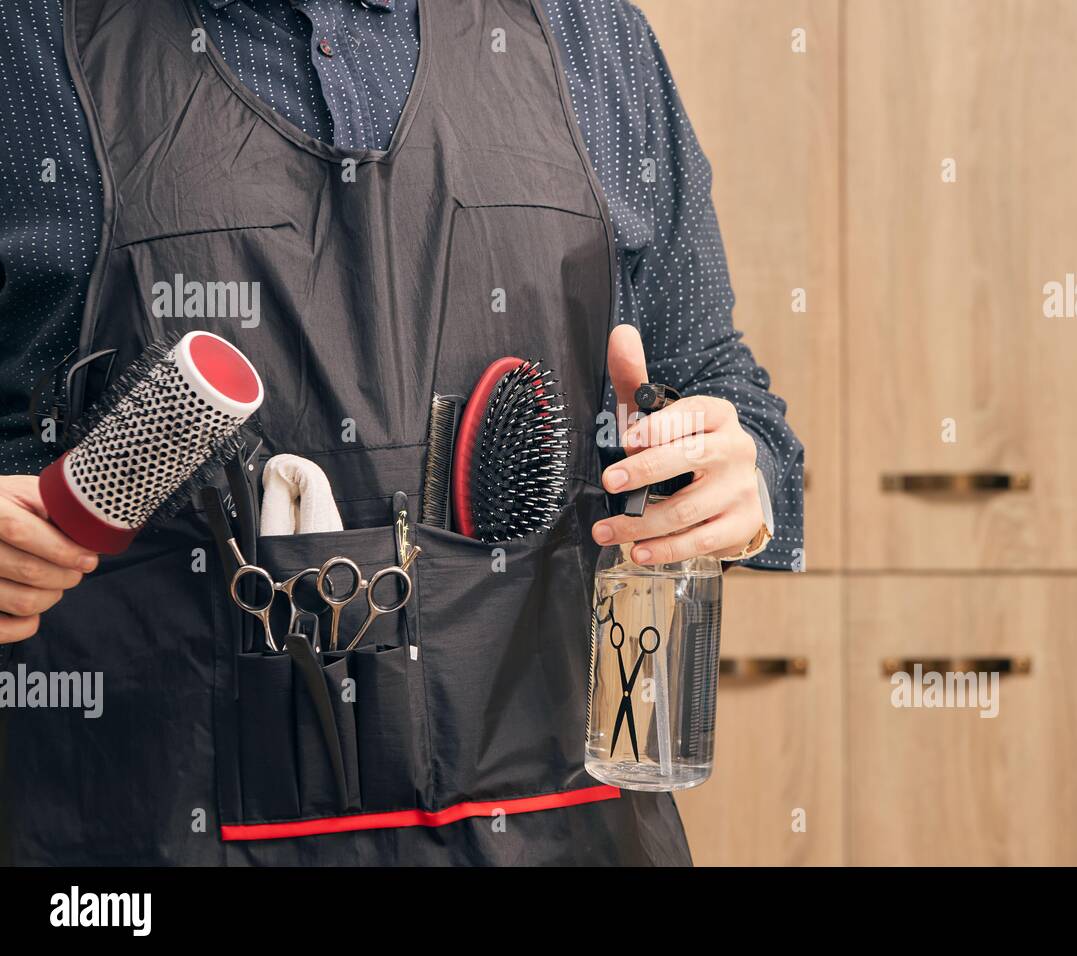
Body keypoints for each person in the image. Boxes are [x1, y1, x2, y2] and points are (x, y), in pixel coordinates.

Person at [0, 0, 803, 865]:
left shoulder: (590, 35)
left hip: (561, 835)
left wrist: (741, 475)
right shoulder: (29, 44)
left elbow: (725, 392)